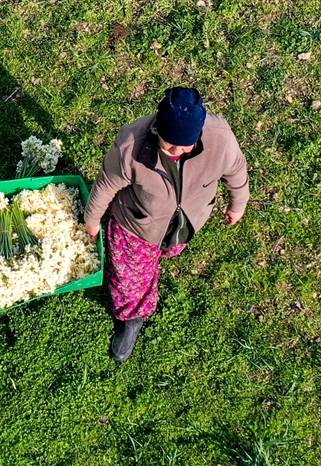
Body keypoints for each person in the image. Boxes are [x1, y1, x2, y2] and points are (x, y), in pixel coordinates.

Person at [83, 87, 249, 363]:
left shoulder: (220, 138)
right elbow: (106, 184)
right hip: (136, 225)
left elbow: (237, 171)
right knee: (129, 279)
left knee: (166, 251)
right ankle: (133, 317)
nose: (177, 151)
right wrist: (91, 219)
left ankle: (158, 256)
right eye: (169, 144)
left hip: (185, 224)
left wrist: (238, 204)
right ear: (158, 128)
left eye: (186, 145)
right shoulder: (131, 146)